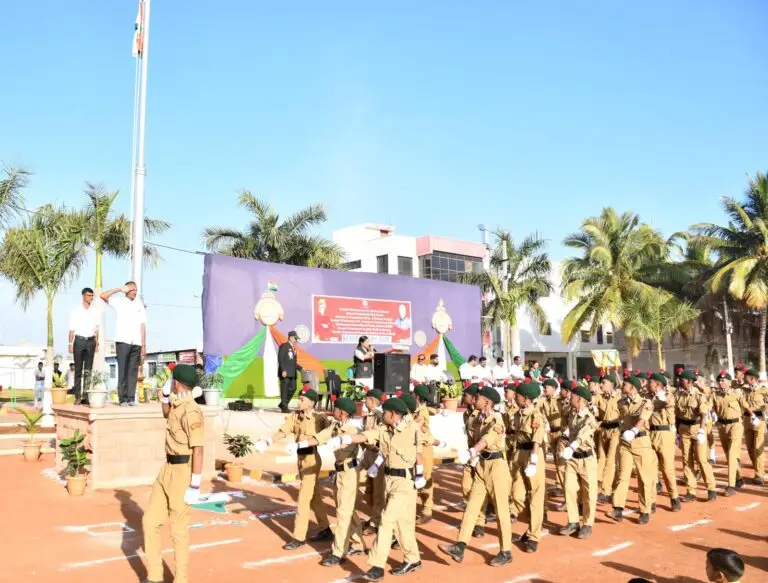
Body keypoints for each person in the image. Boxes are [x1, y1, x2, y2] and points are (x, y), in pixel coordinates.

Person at [344, 397, 425, 581]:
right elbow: (368, 436)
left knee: (386, 521)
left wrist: (420, 475)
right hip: (389, 480)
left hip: (404, 482)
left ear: (393, 414)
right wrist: (346, 438)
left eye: (386, 412)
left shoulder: (411, 429)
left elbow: (418, 454)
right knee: (402, 524)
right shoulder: (385, 430)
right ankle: (413, 559)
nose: (383, 415)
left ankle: (377, 566)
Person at [142, 364, 205, 583]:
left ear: (176, 383)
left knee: (178, 530)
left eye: (172, 382)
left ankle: (181, 579)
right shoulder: (177, 403)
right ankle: (155, 577)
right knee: (150, 521)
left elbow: (198, 448)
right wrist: (165, 395)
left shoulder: (191, 411)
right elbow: (166, 412)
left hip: (182, 472)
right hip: (167, 469)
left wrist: (195, 484)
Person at [440, 386, 513, 567]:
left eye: (479, 397)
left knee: (501, 510)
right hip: (482, 465)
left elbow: (486, 440)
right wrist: (474, 456)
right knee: (472, 506)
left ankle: (506, 551)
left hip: (497, 467)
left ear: (487, 402)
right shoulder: (478, 418)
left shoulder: (496, 419)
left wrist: (472, 452)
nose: (475, 399)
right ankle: (460, 545)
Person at [255, 387, 332, 549]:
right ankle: (325, 528)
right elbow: (283, 431)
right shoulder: (296, 416)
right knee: (314, 496)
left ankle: (299, 537)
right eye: (299, 398)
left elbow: (330, 432)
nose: (299, 401)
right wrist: (267, 442)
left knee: (303, 499)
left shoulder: (319, 418)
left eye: (302, 399)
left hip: (312, 461)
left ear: (311, 403)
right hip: (301, 460)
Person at [299, 397, 366, 566]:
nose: (332, 411)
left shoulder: (352, 430)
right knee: (346, 510)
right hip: (340, 472)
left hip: (349, 473)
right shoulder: (335, 426)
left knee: (343, 513)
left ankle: (338, 553)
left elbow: (362, 445)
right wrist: (301, 445)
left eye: (335, 409)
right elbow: (319, 438)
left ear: (342, 413)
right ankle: (358, 542)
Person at [607, 374, 655, 524]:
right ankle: (618, 508)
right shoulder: (621, 402)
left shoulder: (645, 402)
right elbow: (621, 418)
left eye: (625, 384)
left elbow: (643, 419)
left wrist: (633, 431)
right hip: (625, 443)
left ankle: (645, 510)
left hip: (641, 442)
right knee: (623, 475)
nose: (622, 386)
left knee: (644, 478)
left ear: (632, 387)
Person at [509, 380, 547, 553]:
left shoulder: (535, 415)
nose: (515, 397)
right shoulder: (518, 413)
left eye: (518, 395)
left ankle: (533, 536)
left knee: (536, 495)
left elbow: (537, 439)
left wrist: (533, 461)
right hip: (519, 453)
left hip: (532, 453)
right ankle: (532, 523)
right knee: (517, 494)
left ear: (526, 399)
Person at [558, 381, 598, 539]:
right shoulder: (573, 413)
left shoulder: (589, 417)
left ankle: (588, 524)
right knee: (569, 489)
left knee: (589, 493)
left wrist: (572, 446)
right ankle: (573, 521)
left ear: (580, 399)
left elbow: (583, 435)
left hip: (586, 458)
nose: (570, 398)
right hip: (573, 458)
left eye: (573, 396)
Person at [101, 281, 146, 406]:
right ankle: (122, 399)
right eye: (132, 289)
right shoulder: (118, 301)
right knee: (123, 370)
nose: (135, 292)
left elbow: (142, 325)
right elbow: (103, 296)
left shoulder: (139, 304)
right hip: (122, 341)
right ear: (126, 290)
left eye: (136, 290)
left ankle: (131, 398)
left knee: (133, 371)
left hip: (136, 342)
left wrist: (143, 345)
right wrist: (119, 289)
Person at [675, 369, 717, 501]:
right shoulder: (678, 395)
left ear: (688, 381)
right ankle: (691, 491)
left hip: (697, 427)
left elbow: (704, 414)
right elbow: (677, 415)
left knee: (701, 459)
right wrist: (677, 433)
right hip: (683, 429)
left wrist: (702, 431)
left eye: (681, 379)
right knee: (686, 460)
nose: (679, 381)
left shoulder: (699, 395)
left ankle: (711, 488)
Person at [646, 372, 682, 512]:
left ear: (657, 384)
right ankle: (651, 501)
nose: (648, 384)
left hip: (665, 433)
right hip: (650, 433)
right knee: (651, 470)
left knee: (667, 469)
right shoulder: (647, 397)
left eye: (650, 382)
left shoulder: (668, 395)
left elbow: (667, 402)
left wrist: (659, 394)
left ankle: (674, 497)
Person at [460, 384, 486, 537]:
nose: (464, 398)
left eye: (466, 395)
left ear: (473, 397)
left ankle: (479, 522)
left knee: (479, 490)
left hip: (481, 454)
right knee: (465, 486)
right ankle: (472, 516)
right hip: (470, 454)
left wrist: (477, 453)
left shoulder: (481, 414)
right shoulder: (466, 414)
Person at [713, 370, 744, 495]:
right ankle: (739, 477)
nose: (720, 382)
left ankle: (731, 485)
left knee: (732, 453)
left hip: (735, 425)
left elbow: (745, 406)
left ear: (730, 382)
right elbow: (708, 407)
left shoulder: (737, 393)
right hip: (721, 426)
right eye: (719, 380)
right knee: (728, 454)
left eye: (723, 380)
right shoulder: (715, 395)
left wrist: (752, 416)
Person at [68, 286, 99, 405]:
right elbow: (72, 329)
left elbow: (96, 329)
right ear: (83, 296)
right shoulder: (76, 310)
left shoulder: (95, 311)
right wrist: (70, 344)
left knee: (88, 371)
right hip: (79, 341)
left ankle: (86, 396)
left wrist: (97, 343)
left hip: (91, 341)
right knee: (78, 370)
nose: (91, 297)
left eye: (92, 296)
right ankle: (77, 396)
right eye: (89, 295)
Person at [360, 389, 386, 534]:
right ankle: (377, 515)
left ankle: (376, 522)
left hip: (378, 455)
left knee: (378, 492)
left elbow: (382, 438)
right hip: (368, 454)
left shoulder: (380, 416)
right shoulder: (367, 416)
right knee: (366, 489)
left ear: (372, 400)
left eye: (366, 399)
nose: (364, 402)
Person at [596, 372, 622, 504]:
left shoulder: (619, 397)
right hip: (603, 430)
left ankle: (606, 491)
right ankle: (600, 484)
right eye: (600, 383)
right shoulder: (599, 398)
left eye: (603, 383)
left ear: (611, 384)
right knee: (601, 458)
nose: (601, 385)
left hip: (616, 430)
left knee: (611, 460)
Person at [739, 368, 766, 485]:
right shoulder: (743, 389)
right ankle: (757, 468)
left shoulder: (763, 390)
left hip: (759, 420)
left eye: (746, 377)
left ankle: (759, 474)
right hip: (747, 419)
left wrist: (764, 409)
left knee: (758, 447)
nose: (744, 378)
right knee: (750, 448)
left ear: (753, 378)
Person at [541, 378, 566, 496]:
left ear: (554, 389)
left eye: (546, 387)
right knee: (556, 461)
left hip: (562, 432)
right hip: (552, 433)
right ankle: (559, 484)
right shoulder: (544, 401)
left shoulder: (560, 400)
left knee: (562, 461)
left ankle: (563, 486)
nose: (544, 389)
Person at [277, 331, 302, 413]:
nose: (296, 340)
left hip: (293, 373)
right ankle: (284, 407)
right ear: (290, 337)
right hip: (285, 373)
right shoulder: (284, 346)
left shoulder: (293, 348)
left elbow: (293, 362)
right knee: (284, 390)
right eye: (295, 338)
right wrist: (283, 370)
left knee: (293, 388)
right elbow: (280, 359)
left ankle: (283, 404)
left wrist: (301, 368)